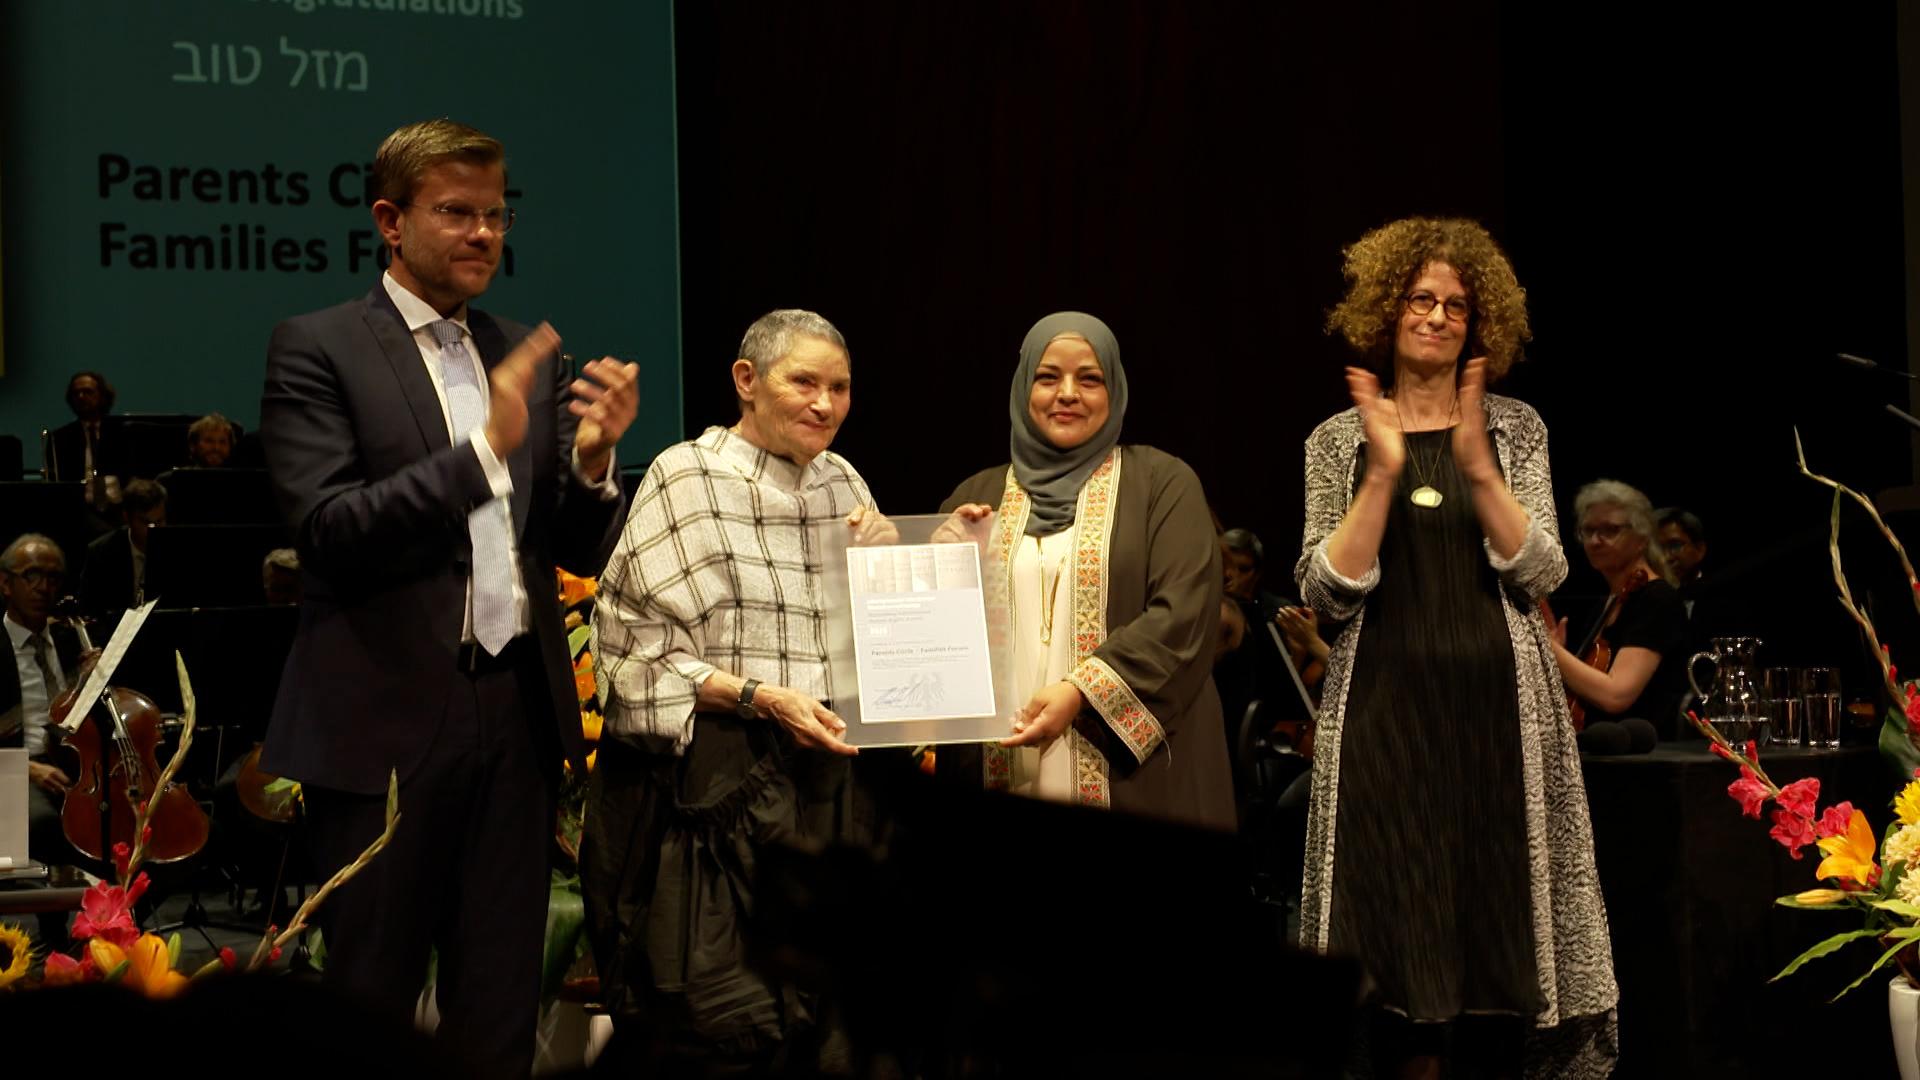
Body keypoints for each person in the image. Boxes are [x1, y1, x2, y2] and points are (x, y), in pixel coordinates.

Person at [257, 118, 637, 1077]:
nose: (482, 234)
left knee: (501, 997)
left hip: (512, 714)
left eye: (495, 215)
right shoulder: (321, 348)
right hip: (383, 721)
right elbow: (329, 530)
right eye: (456, 213)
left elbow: (577, 542)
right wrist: (480, 455)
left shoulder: (520, 350)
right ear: (391, 220)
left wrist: (592, 468)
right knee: (369, 1001)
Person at [1297, 218, 1616, 1077]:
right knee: (1394, 938)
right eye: (1420, 299)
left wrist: (1478, 469)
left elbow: (1543, 566)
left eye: (1456, 306)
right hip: (1384, 724)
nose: (1437, 317)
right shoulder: (1337, 439)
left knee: (1501, 935)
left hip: (1499, 723)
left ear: (1480, 325)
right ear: (1387, 309)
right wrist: (1382, 472)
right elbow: (1324, 591)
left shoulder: (1515, 430)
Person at [584, 309, 883, 1073]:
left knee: (827, 1031)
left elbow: (875, 641)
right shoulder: (686, 476)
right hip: (714, 805)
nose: (824, 403)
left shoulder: (843, 482)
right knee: (722, 1030)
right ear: (747, 382)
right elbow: (635, 659)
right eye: (804, 382)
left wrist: (929, 563)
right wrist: (760, 697)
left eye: (840, 387)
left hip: (824, 794)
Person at [935, 312, 1233, 828]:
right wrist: (926, 564)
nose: (1067, 393)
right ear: (1023, 386)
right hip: (998, 768)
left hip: (1131, 777)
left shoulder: (1163, 484)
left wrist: (1080, 693)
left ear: (1114, 390)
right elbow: (932, 646)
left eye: (1089, 379)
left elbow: (1184, 614)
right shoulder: (974, 499)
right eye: (1048, 377)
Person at [1553, 481, 1690, 741]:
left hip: (1647, 756)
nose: (1595, 540)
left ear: (1641, 538)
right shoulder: (1607, 602)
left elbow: (1615, 695)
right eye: (1589, 530)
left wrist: (1552, 652)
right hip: (1608, 750)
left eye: (1610, 530)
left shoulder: (1657, 599)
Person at [0, 534, 82, 948]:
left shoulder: (69, 638)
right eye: (31, 575)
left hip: (70, 758)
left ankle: (108, 925)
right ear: (5, 584)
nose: (43, 587)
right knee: (43, 821)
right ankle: (54, 934)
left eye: (52, 577)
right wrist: (28, 768)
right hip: (11, 765)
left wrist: (93, 680)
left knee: (136, 819)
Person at [77, 478, 166, 621]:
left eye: (159, 521)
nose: (153, 530)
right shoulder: (101, 553)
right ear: (127, 517)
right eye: (146, 522)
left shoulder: (175, 549)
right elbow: (89, 609)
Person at [46, 372, 129, 505]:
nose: (81, 397)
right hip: (77, 509)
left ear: (102, 396)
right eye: (76, 393)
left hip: (120, 506)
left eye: (88, 392)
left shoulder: (122, 432)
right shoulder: (59, 438)